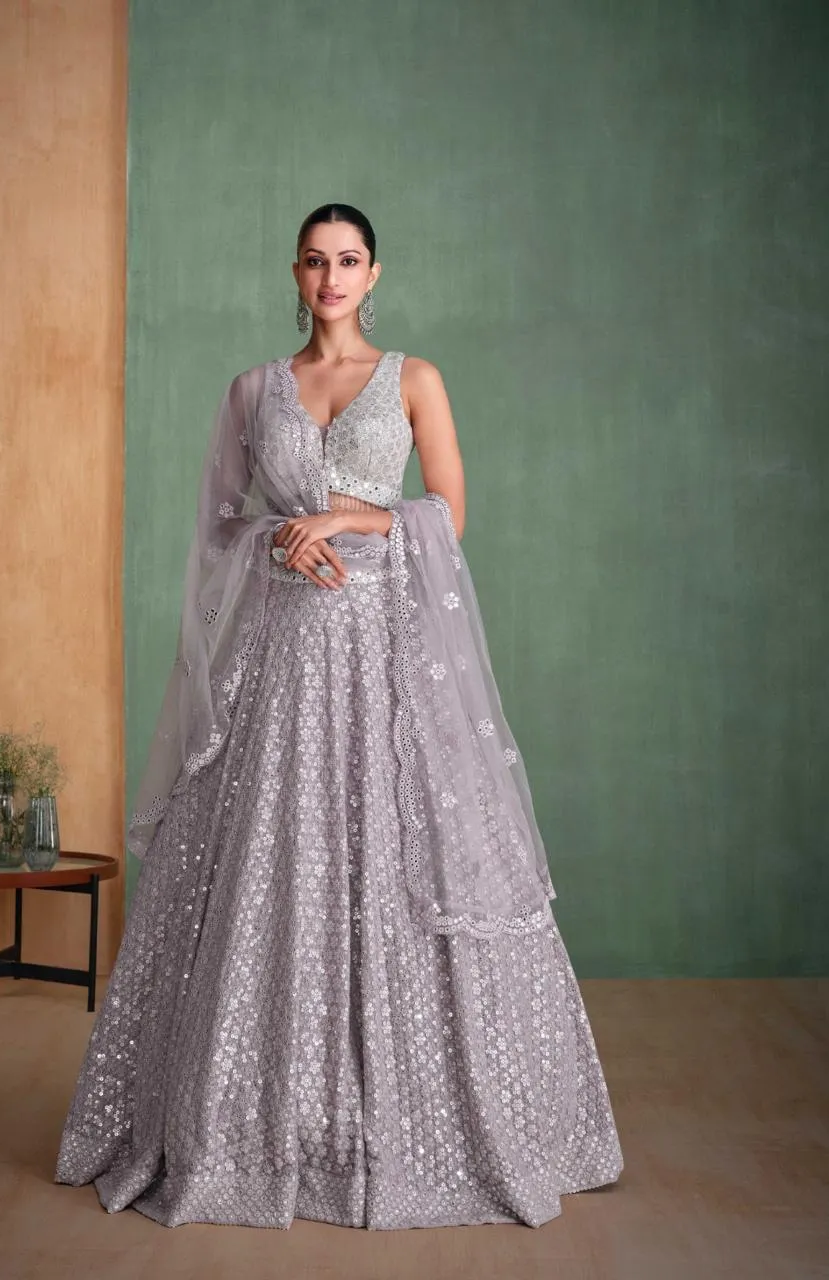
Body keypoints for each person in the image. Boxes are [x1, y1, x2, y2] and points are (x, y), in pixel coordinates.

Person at [55, 203, 624, 1229]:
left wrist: (348, 515)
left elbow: (447, 510)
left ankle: (422, 1116)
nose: (331, 277)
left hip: (386, 652)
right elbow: (220, 527)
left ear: (374, 274)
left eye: (348, 260)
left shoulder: (413, 380)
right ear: (295, 272)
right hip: (281, 657)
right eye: (315, 261)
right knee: (268, 859)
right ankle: (252, 1116)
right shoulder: (251, 390)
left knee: (400, 851)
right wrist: (278, 537)